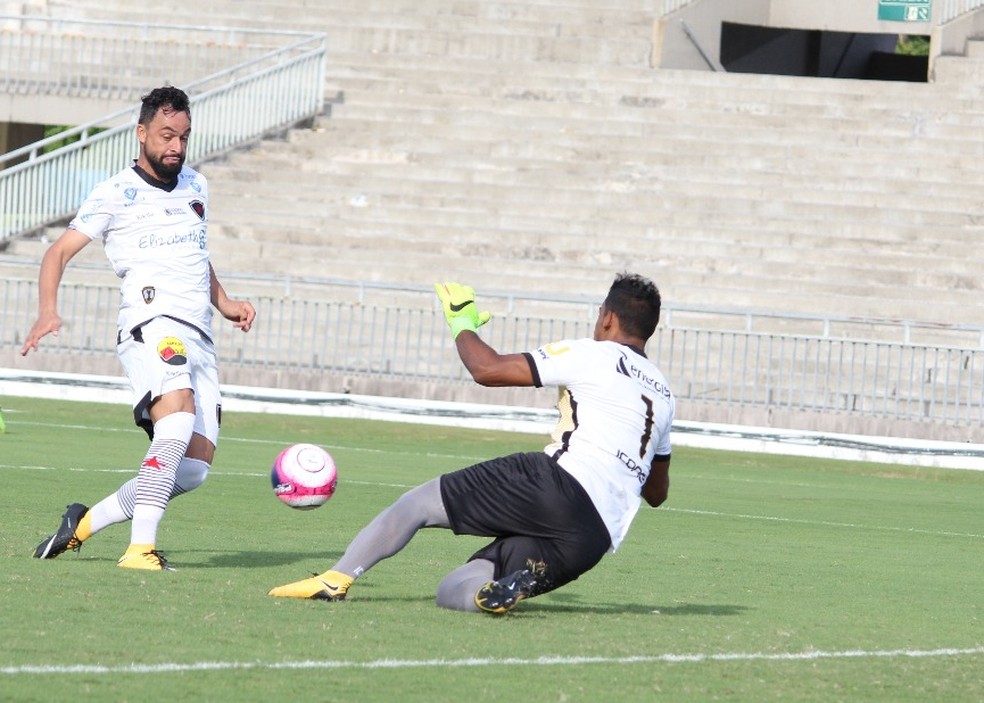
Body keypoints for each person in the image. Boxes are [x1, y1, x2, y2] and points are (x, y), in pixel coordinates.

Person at [269, 273, 673, 613]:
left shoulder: (592, 353)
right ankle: (488, 596)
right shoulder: (664, 394)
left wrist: (462, 322)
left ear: (607, 318)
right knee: (457, 585)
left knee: (418, 505)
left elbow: (487, 369)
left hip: (558, 483)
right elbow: (656, 493)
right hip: (593, 536)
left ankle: (335, 579)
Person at [22, 86, 256, 571]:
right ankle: (139, 550)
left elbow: (195, 253)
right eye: (167, 135)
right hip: (151, 323)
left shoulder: (197, 185)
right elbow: (57, 252)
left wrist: (225, 301)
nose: (176, 146)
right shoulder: (114, 192)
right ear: (142, 132)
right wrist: (48, 309)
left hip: (201, 334)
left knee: (191, 469)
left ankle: (82, 525)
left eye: (184, 137)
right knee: (175, 419)